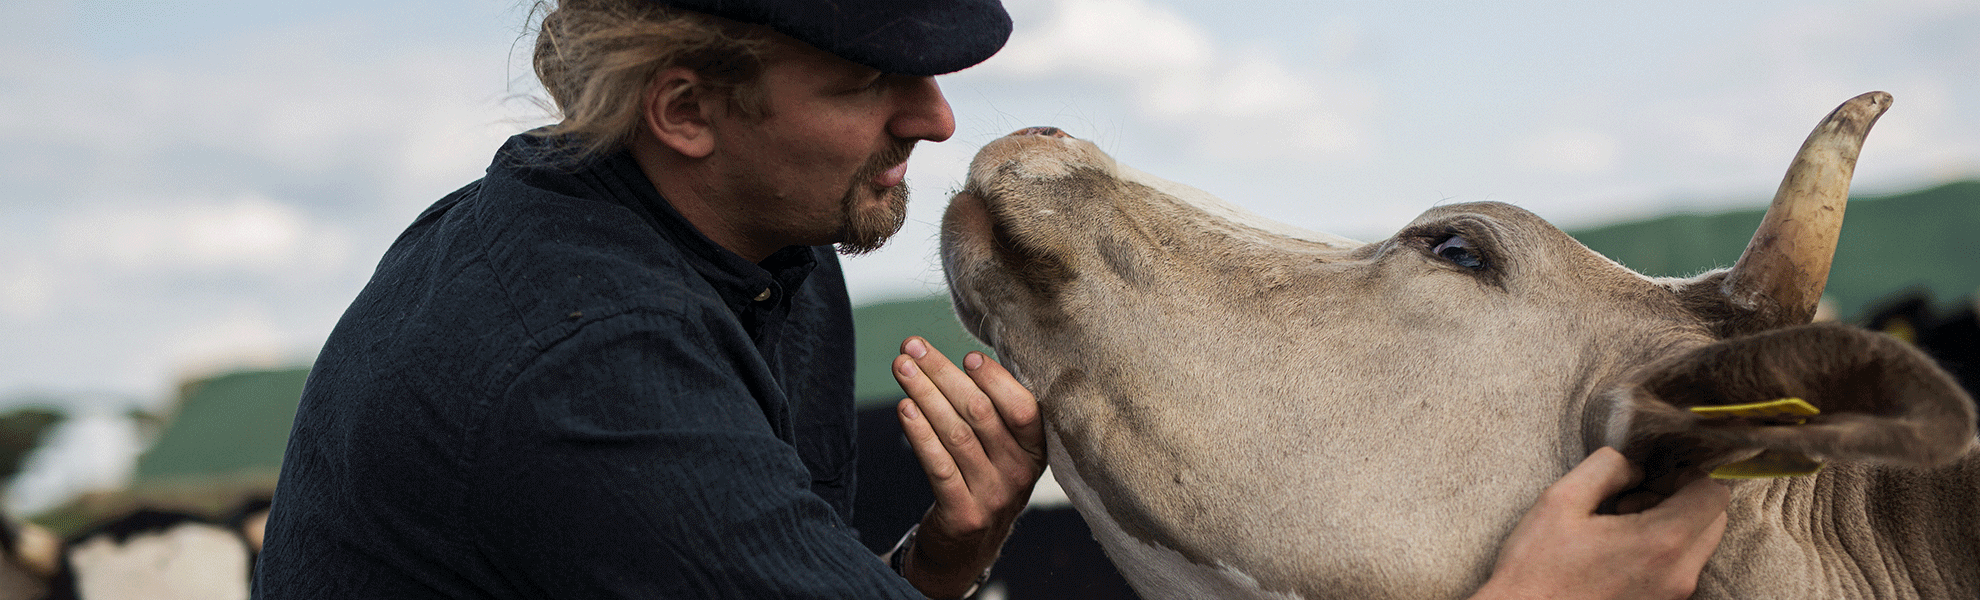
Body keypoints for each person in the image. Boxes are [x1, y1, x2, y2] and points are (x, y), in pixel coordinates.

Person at [252, 0, 1730, 598]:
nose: (940, 120)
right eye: (869, 82)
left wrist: (940, 564)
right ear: (687, 109)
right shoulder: (583, 365)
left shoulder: (761, 254)